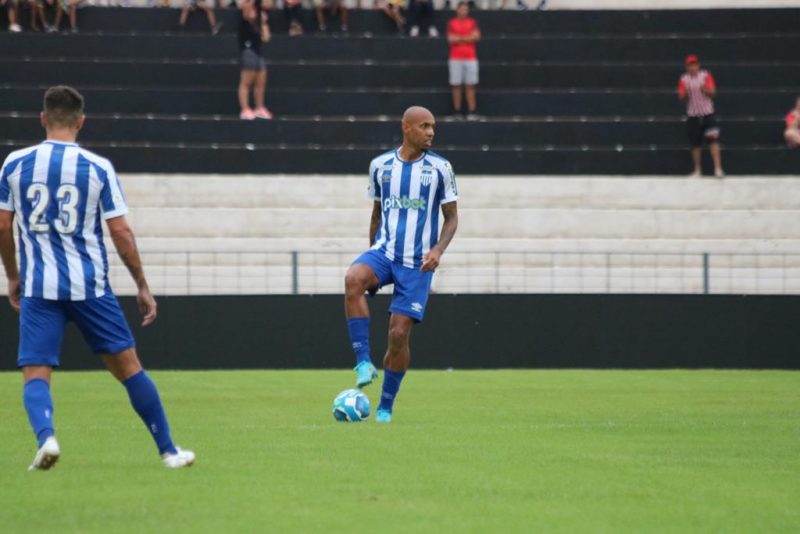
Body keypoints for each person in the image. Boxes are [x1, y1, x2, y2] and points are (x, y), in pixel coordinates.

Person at [0, 86, 195, 470]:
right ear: (81, 121)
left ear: (43, 118)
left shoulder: (15, 164)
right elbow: (120, 232)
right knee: (130, 369)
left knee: (36, 371)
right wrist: (141, 284)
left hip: (40, 287)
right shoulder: (97, 167)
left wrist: (13, 275)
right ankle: (169, 451)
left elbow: (2, 226)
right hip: (89, 287)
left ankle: (47, 438)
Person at [343, 106, 459, 424]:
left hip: (417, 264)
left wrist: (438, 250)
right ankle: (363, 363)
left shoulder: (440, 168)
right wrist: (372, 254)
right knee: (353, 278)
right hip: (384, 253)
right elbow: (377, 214)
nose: (431, 132)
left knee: (397, 335)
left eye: (433, 126)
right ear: (406, 128)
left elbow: (451, 218)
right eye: (425, 126)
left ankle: (385, 406)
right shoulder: (380, 166)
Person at [678, 54, 724, 177]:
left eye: (694, 65)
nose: (692, 67)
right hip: (693, 114)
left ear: (698, 65)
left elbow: (713, 92)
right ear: (686, 67)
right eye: (690, 65)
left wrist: (705, 90)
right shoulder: (684, 79)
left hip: (707, 113)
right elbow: (681, 98)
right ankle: (697, 170)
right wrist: (686, 94)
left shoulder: (705, 75)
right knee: (695, 143)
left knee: (713, 140)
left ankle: (718, 168)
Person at [238, 0, 272, 120]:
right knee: (246, 81)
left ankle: (259, 107)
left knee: (261, 81)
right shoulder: (245, 19)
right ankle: (245, 109)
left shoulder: (259, 20)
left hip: (258, 52)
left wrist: (264, 22)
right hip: (248, 51)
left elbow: (266, 38)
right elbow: (247, 10)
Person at [447, 1, 480, 120]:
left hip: (470, 58)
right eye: (462, 9)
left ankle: (472, 111)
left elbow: (476, 37)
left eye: (465, 9)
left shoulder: (472, 22)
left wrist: (459, 38)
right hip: (455, 58)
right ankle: (457, 111)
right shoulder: (452, 23)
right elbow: (451, 39)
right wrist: (467, 38)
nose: (463, 11)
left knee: (470, 85)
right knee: (456, 85)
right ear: (457, 10)